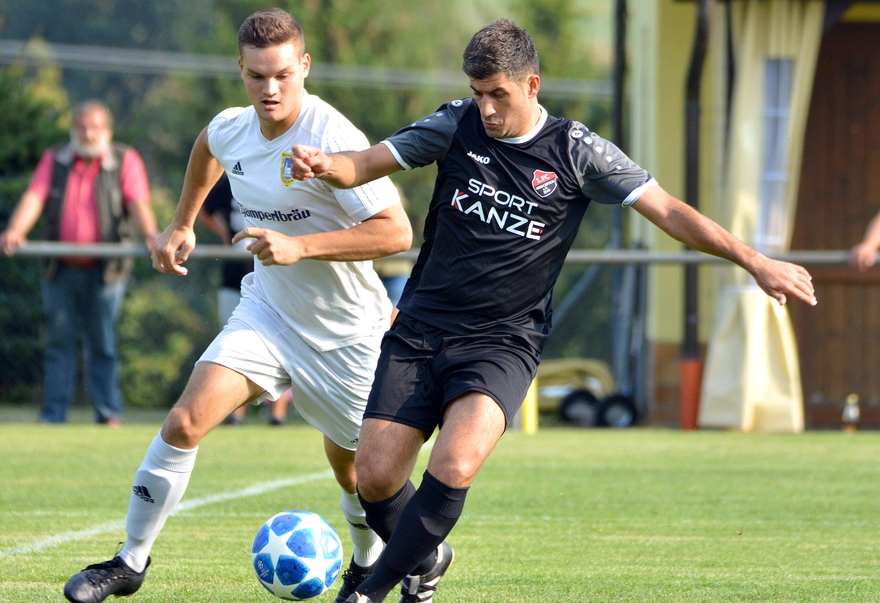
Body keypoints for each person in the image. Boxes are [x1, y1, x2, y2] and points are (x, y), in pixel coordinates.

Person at [291, 18, 819, 603]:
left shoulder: (577, 151)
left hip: (503, 341)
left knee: (456, 463)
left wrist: (754, 260)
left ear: (532, 84)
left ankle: (371, 592)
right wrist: (326, 164)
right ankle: (429, 558)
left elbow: (669, 211)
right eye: (478, 93)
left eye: (498, 94)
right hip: (420, 328)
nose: (487, 108)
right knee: (374, 477)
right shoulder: (455, 124)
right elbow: (365, 164)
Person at [62, 9, 412, 603]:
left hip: (348, 332)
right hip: (267, 315)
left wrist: (300, 247)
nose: (269, 89)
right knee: (184, 422)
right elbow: (208, 145)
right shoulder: (232, 126)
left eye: (282, 74)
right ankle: (130, 561)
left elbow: (397, 232)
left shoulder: (334, 138)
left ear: (304, 66)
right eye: (256, 76)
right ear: (240, 70)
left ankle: (366, 561)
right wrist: (182, 223)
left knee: (355, 470)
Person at [0, 100, 158, 426]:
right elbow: (34, 197)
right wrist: (15, 230)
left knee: (103, 344)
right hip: (61, 268)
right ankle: (53, 415)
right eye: (81, 127)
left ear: (107, 132)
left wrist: (152, 235)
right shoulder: (55, 158)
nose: (88, 134)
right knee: (58, 343)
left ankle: (108, 413)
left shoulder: (124, 159)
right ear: (73, 130)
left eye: (95, 127)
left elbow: (138, 202)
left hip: (106, 270)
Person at [196, 174, 291, 426]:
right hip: (234, 274)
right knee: (233, 342)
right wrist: (225, 234)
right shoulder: (230, 180)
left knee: (281, 341)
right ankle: (236, 413)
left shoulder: (278, 176)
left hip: (274, 273)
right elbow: (204, 209)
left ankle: (277, 413)